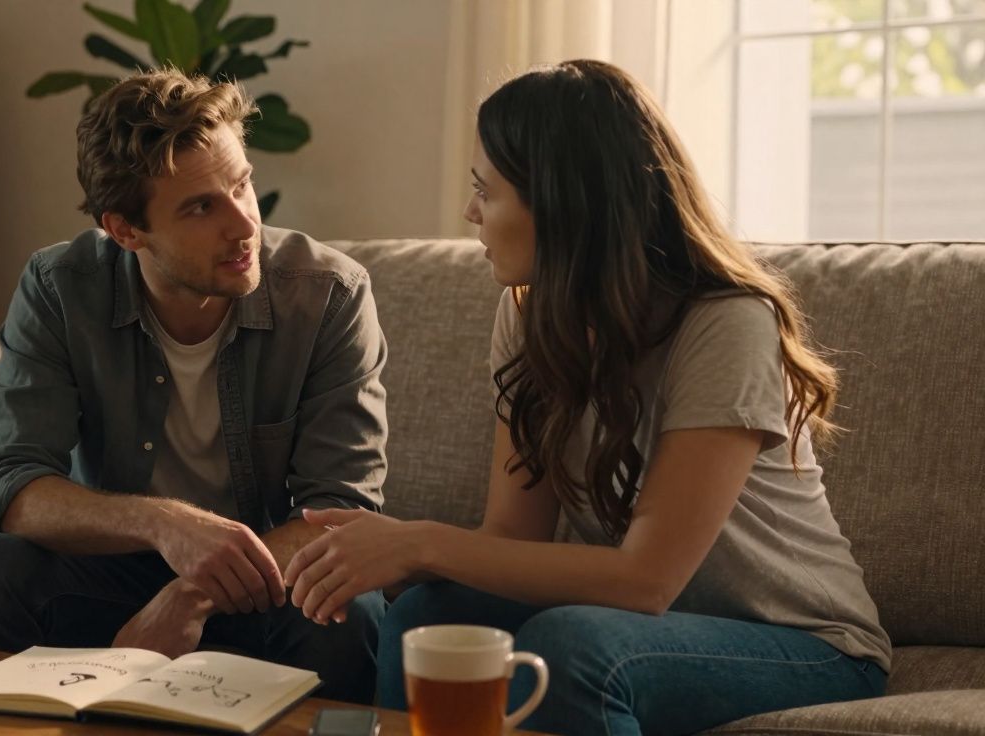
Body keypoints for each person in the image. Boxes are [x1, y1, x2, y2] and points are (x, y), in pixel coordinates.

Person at [282, 60, 890, 733]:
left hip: (805, 643)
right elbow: (513, 538)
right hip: (644, 622)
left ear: (566, 205)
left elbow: (646, 580)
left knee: (572, 648)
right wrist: (401, 561)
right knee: (428, 617)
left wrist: (418, 542)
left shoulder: (727, 323)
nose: (469, 212)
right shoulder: (527, 312)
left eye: (488, 190)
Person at [0, 68, 388, 705]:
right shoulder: (61, 289)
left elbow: (342, 509)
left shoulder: (329, 296)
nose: (244, 224)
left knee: (351, 612)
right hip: (108, 572)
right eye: (202, 207)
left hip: (263, 585)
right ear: (125, 230)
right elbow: (9, 485)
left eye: (242, 184)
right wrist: (165, 526)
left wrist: (191, 592)